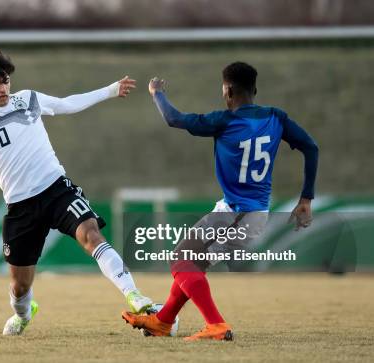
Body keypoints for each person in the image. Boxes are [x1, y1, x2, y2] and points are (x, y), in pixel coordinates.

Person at [0, 49, 153, 335]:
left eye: (6, 81)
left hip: (55, 189)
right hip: (20, 206)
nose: (4, 89)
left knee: (90, 234)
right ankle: (24, 314)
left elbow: (67, 104)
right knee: (20, 285)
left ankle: (133, 294)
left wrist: (110, 90)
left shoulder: (27, 100)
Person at [121, 62, 319, 341]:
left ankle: (216, 324)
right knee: (192, 266)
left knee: (181, 260)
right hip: (253, 213)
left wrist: (157, 93)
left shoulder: (224, 120)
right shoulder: (276, 117)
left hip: (237, 214)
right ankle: (163, 321)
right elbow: (311, 147)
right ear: (255, 90)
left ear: (227, 90)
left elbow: (173, 118)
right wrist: (306, 198)